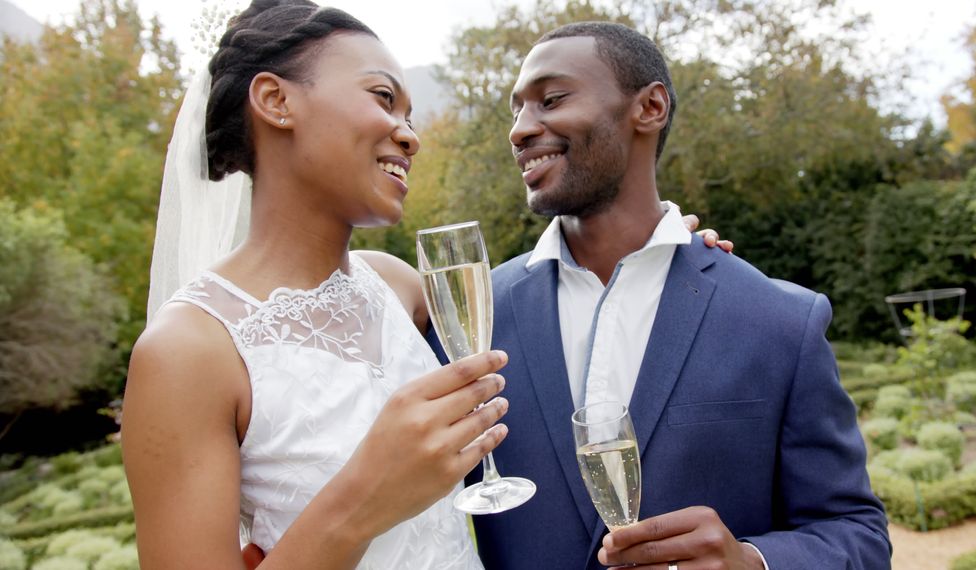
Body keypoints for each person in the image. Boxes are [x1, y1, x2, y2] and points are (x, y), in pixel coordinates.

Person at [467, 22, 892, 570]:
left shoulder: (781, 320)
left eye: (550, 99)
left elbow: (857, 534)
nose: (521, 130)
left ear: (650, 107)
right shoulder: (474, 317)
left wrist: (751, 562)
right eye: (516, 109)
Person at [121, 1, 511, 568]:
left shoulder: (396, 284)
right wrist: (362, 500)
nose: (410, 137)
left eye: (411, 115)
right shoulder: (187, 352)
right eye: (383, 98)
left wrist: (669, 250)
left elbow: (523, 317)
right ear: (277, 102)